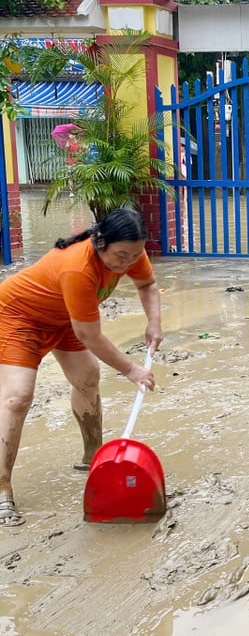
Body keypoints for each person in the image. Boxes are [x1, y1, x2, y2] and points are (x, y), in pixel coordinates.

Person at [0, 208, 162, 527]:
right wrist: (131, 369)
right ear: (100, 242)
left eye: (134, 256)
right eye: (120, 256)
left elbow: (148, 285)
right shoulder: (78, 268)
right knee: (17, 396)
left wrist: (154, 322)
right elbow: (89, 334)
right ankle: (2, 487)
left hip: (64, 319)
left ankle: (93, 458)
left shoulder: (129, 250)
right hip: (20, 319)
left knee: (87, 377)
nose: (126, 264)